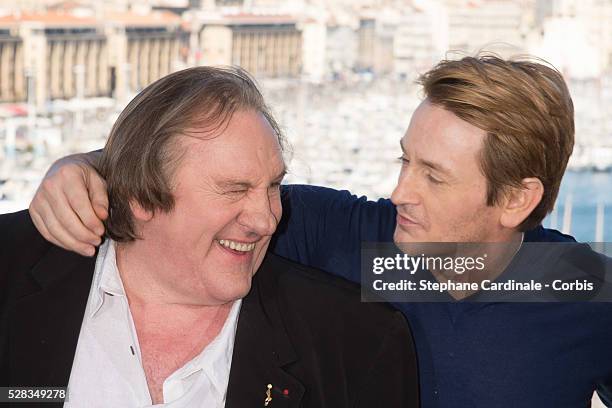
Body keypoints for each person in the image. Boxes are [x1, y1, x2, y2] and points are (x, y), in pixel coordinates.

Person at [27, 56, 612, 407]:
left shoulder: (583, 288)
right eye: (405, 160)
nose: (399, 191)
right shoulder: (348, 233)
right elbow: (194, 179)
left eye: (433, 176)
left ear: (516, 199)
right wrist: (85, 167)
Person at [0, 66, 420, 407]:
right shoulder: (12, 269)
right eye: (234, 189)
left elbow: (470, 267)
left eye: (273, 186)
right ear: (143, 196)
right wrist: (86, 163)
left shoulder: (357, 338)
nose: (267, 219)